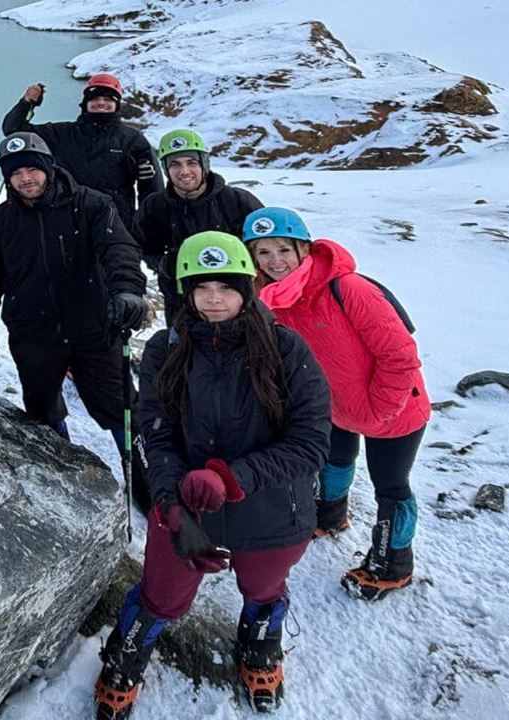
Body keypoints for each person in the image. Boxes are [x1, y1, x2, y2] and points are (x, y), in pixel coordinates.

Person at [93, 232, 330, 718]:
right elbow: (156, 432)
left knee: (263, 589)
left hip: (271, 509)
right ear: (186, 293)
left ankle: (261, 647)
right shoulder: (166, 350)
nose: (215, 298)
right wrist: (170, 502)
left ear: (248, 287)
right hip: (187, 504)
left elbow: (310, 441)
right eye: (202, 288)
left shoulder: (287, 350)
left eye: (226, 286)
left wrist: (230, 477)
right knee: (161, 593)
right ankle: (128, 654)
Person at [245, 207, 431, 601]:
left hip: (394, 408)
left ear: (303, 249)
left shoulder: (348, 289)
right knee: (334, 461)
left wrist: (379, 411)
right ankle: (329, 517)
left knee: (391, 486)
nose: (275, 262)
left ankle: (393, 563)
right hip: (336, 405)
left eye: (283, 249)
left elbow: (400, 356)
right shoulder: (270, 299)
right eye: (262, 252)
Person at [0, 131, 147, 456]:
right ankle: (59, 464)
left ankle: (144, 474)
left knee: (120, 407)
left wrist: (128, 291)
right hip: (33, 335)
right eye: (16, 172)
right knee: (42, 410)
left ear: (49, 167)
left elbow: (119, 249)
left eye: (32, 169)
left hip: (95, 327)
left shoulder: (91, 205)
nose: (26, 179)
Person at [133, 128, 263, 325]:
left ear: (205, 164)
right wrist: (164, 263)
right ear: (165, 169)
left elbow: (264, 244)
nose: (184, 171)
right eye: (175, 164)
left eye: (191, 162)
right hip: (179, 304)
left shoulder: (237, 201)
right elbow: (138, 246)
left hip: (236, 303)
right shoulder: (154, 206)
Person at [1, 74, 163, 225]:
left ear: (117, 104)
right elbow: (14, 131)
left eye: (107, 99)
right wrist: (27, 103)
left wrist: (144, 225)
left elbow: (151, 187)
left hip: (116, 222)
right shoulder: (62, 134)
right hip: (67, 220)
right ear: (85, 103)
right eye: (95, 98)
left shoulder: (132, 139)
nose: (101, 103)